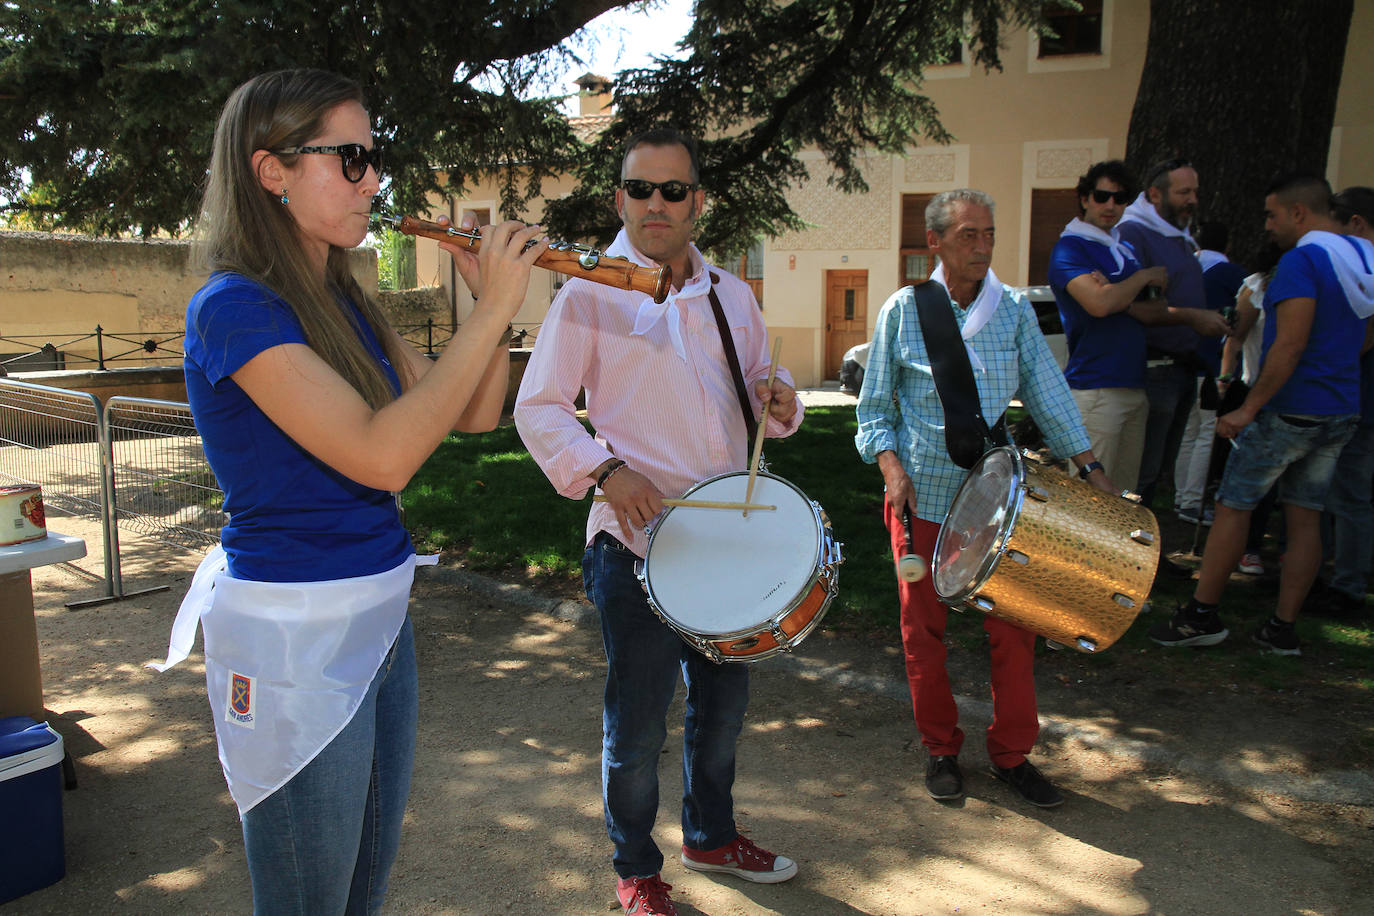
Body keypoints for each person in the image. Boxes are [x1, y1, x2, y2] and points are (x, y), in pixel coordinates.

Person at [150, 69, 548, 913]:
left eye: (376, 158)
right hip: (293, 640)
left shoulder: (340, 296)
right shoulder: (233, 308)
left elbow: (473, 413)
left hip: (378, 617)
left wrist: (490, 304)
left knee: (361, 890)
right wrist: (495, 310)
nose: (375, 180)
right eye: (353, 158)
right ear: (273, 171)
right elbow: (383, 458)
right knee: (308, 901)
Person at [513, 127, 802, 916]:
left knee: (722, 711)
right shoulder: (587, 293)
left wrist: (782, 402)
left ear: (697, 203)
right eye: (640, 189)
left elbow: (758, 394)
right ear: (619, 199)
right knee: (637, 726)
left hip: (726, 542)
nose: (656, 204)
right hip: (634, 542)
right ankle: (636, 869)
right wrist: (607, 470)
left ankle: (710, 834)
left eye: (674, 190)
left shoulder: (730, 294)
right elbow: (537, 408)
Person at [855, 189, 1116, 810]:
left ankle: (1012, 755)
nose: (982, 246)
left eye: (989, 234)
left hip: (997, 502)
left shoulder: (1014, 310)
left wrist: (1090, 464)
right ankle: (941, 749)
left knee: (1014, 630)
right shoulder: (903, 310)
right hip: (921, 498)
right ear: (936, 244)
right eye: (968, 235)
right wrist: (890, 468)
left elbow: (1048, 392)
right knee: (924, 632)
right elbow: (873, 410)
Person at [1150, 174, 1374, 654]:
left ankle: (1201, 614)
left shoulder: (1302, 261)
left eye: (1272, 214)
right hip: (1339, 408)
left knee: (1234, 505)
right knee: (1306, 515)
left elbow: (1289, 343)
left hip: (1290, 409)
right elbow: (1365, 333)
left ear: (1299, 212)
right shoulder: (1360, 257)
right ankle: (1282, 627)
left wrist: (1249, 407)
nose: (1267, 225)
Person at [1117, 159, 1230, 512]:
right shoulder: (1135, 232)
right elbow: (1135, 305)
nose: (1193, 200)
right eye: (1184, 192)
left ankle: (1148, 548)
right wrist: (1194, 318)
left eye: (1195, 191)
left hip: (1181, 367)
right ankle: (1132, 552)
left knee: (1157, 472)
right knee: (1141, 473)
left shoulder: (1177, 234)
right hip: (1155, 367)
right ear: (1155, 194)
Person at [1047, 159, 1167, 491]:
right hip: (1095, 389)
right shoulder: (1070, 247)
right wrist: (1138, 280)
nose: (1111, 205)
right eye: (1102, 196)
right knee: (1092, 507)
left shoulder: (1122, 248)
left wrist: (1115, 294)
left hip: (1132, 385)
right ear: (1085, 198)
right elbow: (1099, 304)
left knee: (1125, 500)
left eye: (1120, 197)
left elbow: (1155, 309)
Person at [1318, 186, 1374, 615]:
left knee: (1350, 495)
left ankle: (1348, 584)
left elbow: (1362, 336)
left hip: (1360, 398)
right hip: (1353, 395)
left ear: (1355, 223)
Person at [1173, 221, 1247, 526]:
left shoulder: (1188, 267)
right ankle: (1191, 502)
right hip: (1214, 365)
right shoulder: (1232, 275)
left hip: (1186, 360)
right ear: (1228, 245)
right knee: (1205, 433)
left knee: (1188, 434)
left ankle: (1181, 496)